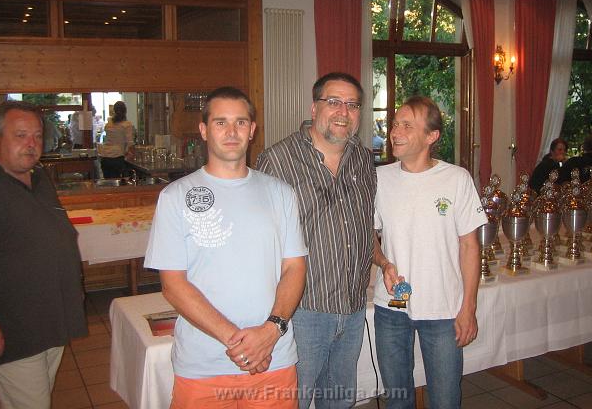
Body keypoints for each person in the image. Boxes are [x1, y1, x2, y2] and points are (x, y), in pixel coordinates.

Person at [144, 87, 307, 408]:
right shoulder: (175, 197)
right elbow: (173, 285)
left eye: (240, 122)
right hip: (203, 365)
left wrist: (270, 332)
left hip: (273, 359)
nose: (232, 132)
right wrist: (242, 344)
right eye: (221, 122)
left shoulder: (281, 193)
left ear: (252, 130)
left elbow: (295, 268)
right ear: (204, 130)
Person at [256, 72, 376, 408]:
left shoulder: (364, 159)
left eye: (353, 105)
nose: (343, 112)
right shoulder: (278, 160)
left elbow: (365, 225)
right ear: (314, 107)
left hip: (352, 309)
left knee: (338, 402)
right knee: (293, 401)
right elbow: (259, 242)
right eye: (333, 101)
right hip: (302, 312)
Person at [372, 96, 486, 409]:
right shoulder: (380, 178)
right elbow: (369, 235)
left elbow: (470, 246)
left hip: (443, 309)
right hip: (391, 306)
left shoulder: (457, 179)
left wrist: (468, 307)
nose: (395, 132)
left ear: (431, 136)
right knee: (397, 400)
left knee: (445, 400)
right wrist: (383, 263)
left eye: (407, 126)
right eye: (395, 124)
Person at [0, 101, 87, 409]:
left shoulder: (39, 177)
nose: (32, 144)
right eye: (21, 135)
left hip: (51, 320)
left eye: (36, 136)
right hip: (15, 327)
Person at [99, 101, 134, 178]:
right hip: (117, 158)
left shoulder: (109, 124)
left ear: (114, 111)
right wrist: (133, 155)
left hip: (105, 158)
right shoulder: (127, 125)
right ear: (125, 111)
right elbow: (130, 143)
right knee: (118, 183)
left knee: (108, 182)